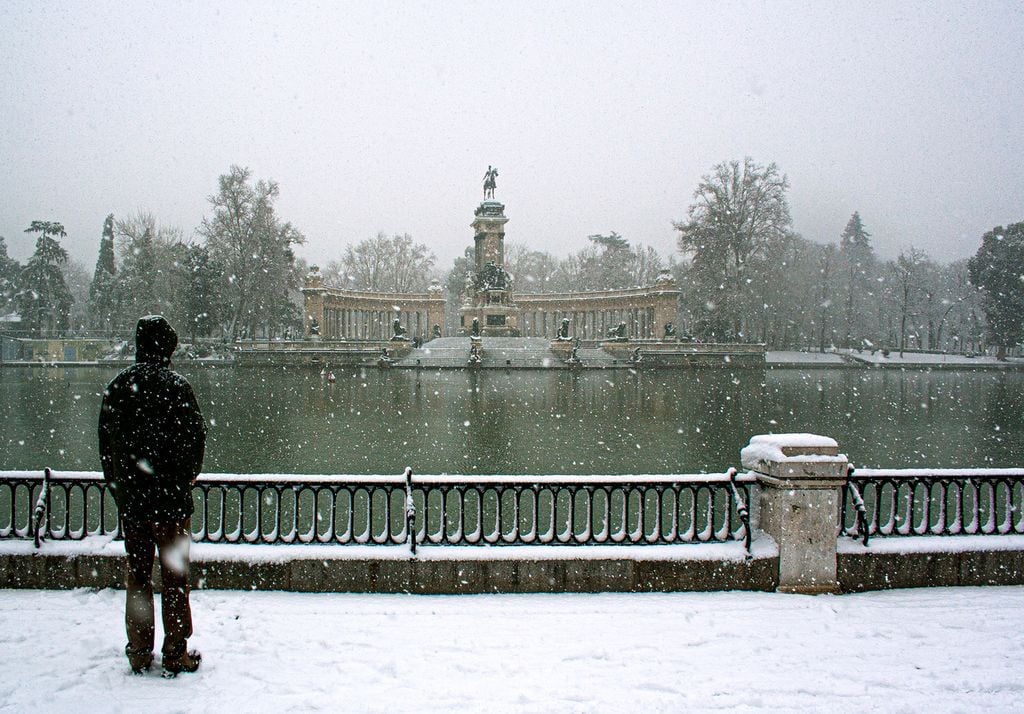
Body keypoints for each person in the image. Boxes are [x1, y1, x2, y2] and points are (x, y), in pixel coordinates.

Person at [98, 315, 208, 677]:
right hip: (171, 505)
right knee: (175, 577)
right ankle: (176, 651)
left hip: (134, 505)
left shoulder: (117, 387)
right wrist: (184, 478)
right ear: (168, 348)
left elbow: (106, 451)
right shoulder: (177, 387)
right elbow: (195, 442)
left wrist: (122, 491)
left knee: (138, 577)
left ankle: (140, 650)